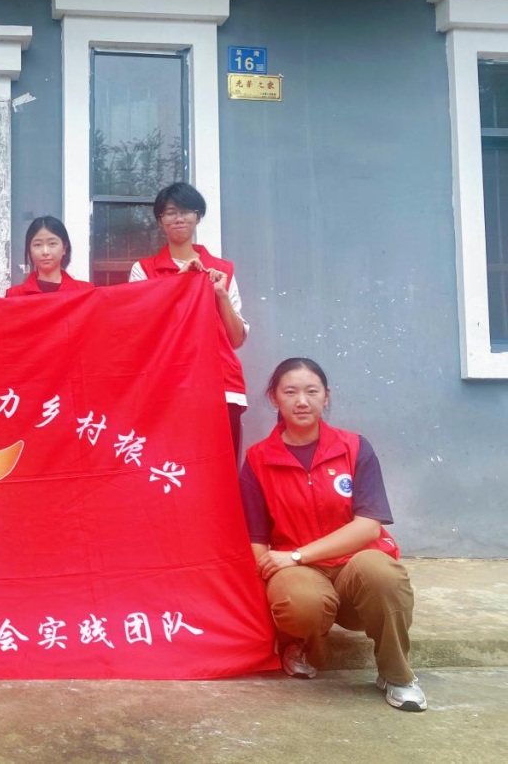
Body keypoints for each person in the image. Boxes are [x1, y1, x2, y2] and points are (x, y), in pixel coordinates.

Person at [239, 358, 425, 711]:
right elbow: (256, 538)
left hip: (353, 566)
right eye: (290, 392)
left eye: (312, 391)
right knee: (298, 599)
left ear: (326, 396)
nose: (301, 401)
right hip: (300, 572)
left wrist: (297, 554)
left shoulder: (354, 447)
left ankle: (397, 674)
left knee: (384, 574)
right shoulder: (258, 460)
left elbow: (368, 525)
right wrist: (272, 588)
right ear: (274, 398)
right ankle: (302, 645)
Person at [129, 182, 248, 460]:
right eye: (170, 212)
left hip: (220, 385)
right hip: (166, 386)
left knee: (221, 471)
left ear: (198, 216)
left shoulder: (222, 270)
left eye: (186, 211)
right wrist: (179, 283)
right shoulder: (143, 270)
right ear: (160, 220)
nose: (179, 218)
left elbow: (236, 339)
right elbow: (142, 331)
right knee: (171, 471)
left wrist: (220, 295)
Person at [5, 216, 94, 297]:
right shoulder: (14, 296)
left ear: (64, 248)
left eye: (52, 243)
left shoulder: (86, 293)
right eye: (38, 244)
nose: (45, 251)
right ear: (30, 250)